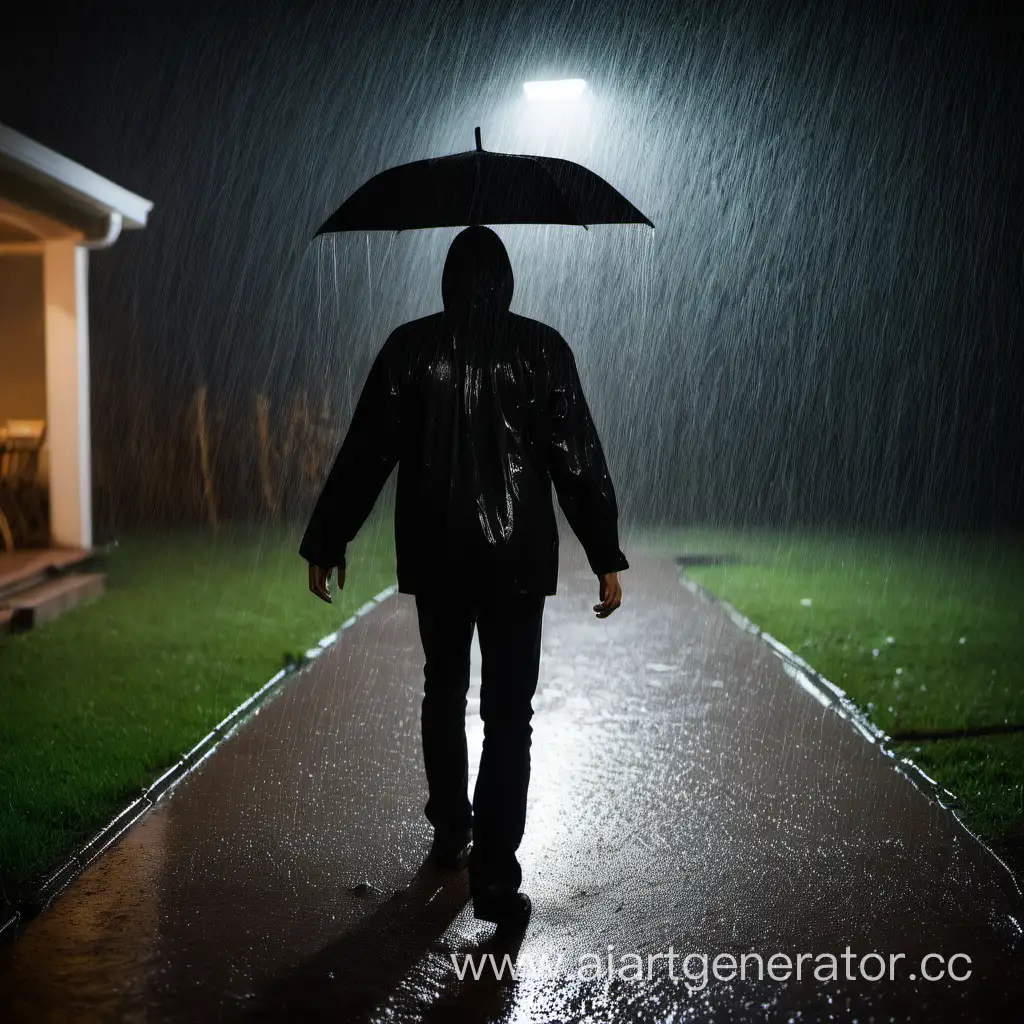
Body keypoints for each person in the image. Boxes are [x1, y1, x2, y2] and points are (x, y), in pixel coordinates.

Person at [300, 225, 627, 931]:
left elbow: (367, 452)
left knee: (442, 691)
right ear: (506, 280)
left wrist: (328, 537)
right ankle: (496, 879)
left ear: (448, 279)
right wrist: (604, 550)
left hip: (438, 558)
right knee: (510, 716)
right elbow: (576, 455)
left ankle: (452, 828)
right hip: (516, 566)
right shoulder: (542, 349)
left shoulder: (410, 349)